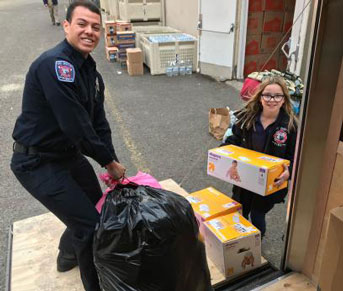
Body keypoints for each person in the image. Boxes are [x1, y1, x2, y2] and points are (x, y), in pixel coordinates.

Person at [10, 1, 126, 290]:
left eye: (96, 27)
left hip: (68, 155)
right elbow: (76, 126)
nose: (90, 32)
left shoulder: (89, 70)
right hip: (36, 163)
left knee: (93, 208)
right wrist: (109, 164)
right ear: (66, 26)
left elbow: (98, 122)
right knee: (90, 227)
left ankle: (66, 256)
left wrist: (110, 158)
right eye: (82, 24)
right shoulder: (56, 65)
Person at [221, 76, 297, 238]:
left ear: (284, 99)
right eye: (267, 95)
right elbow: (232, 141)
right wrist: (223, 157)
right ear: (260, 97)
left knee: (257, 215)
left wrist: (289, 171)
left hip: (270, 182)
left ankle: (256, 242)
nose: (272, 100)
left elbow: (295, 156)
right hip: (243, 177)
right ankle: (238, 242)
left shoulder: (290, 125)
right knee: (240, 211)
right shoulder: (246, 118)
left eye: (278, 96)